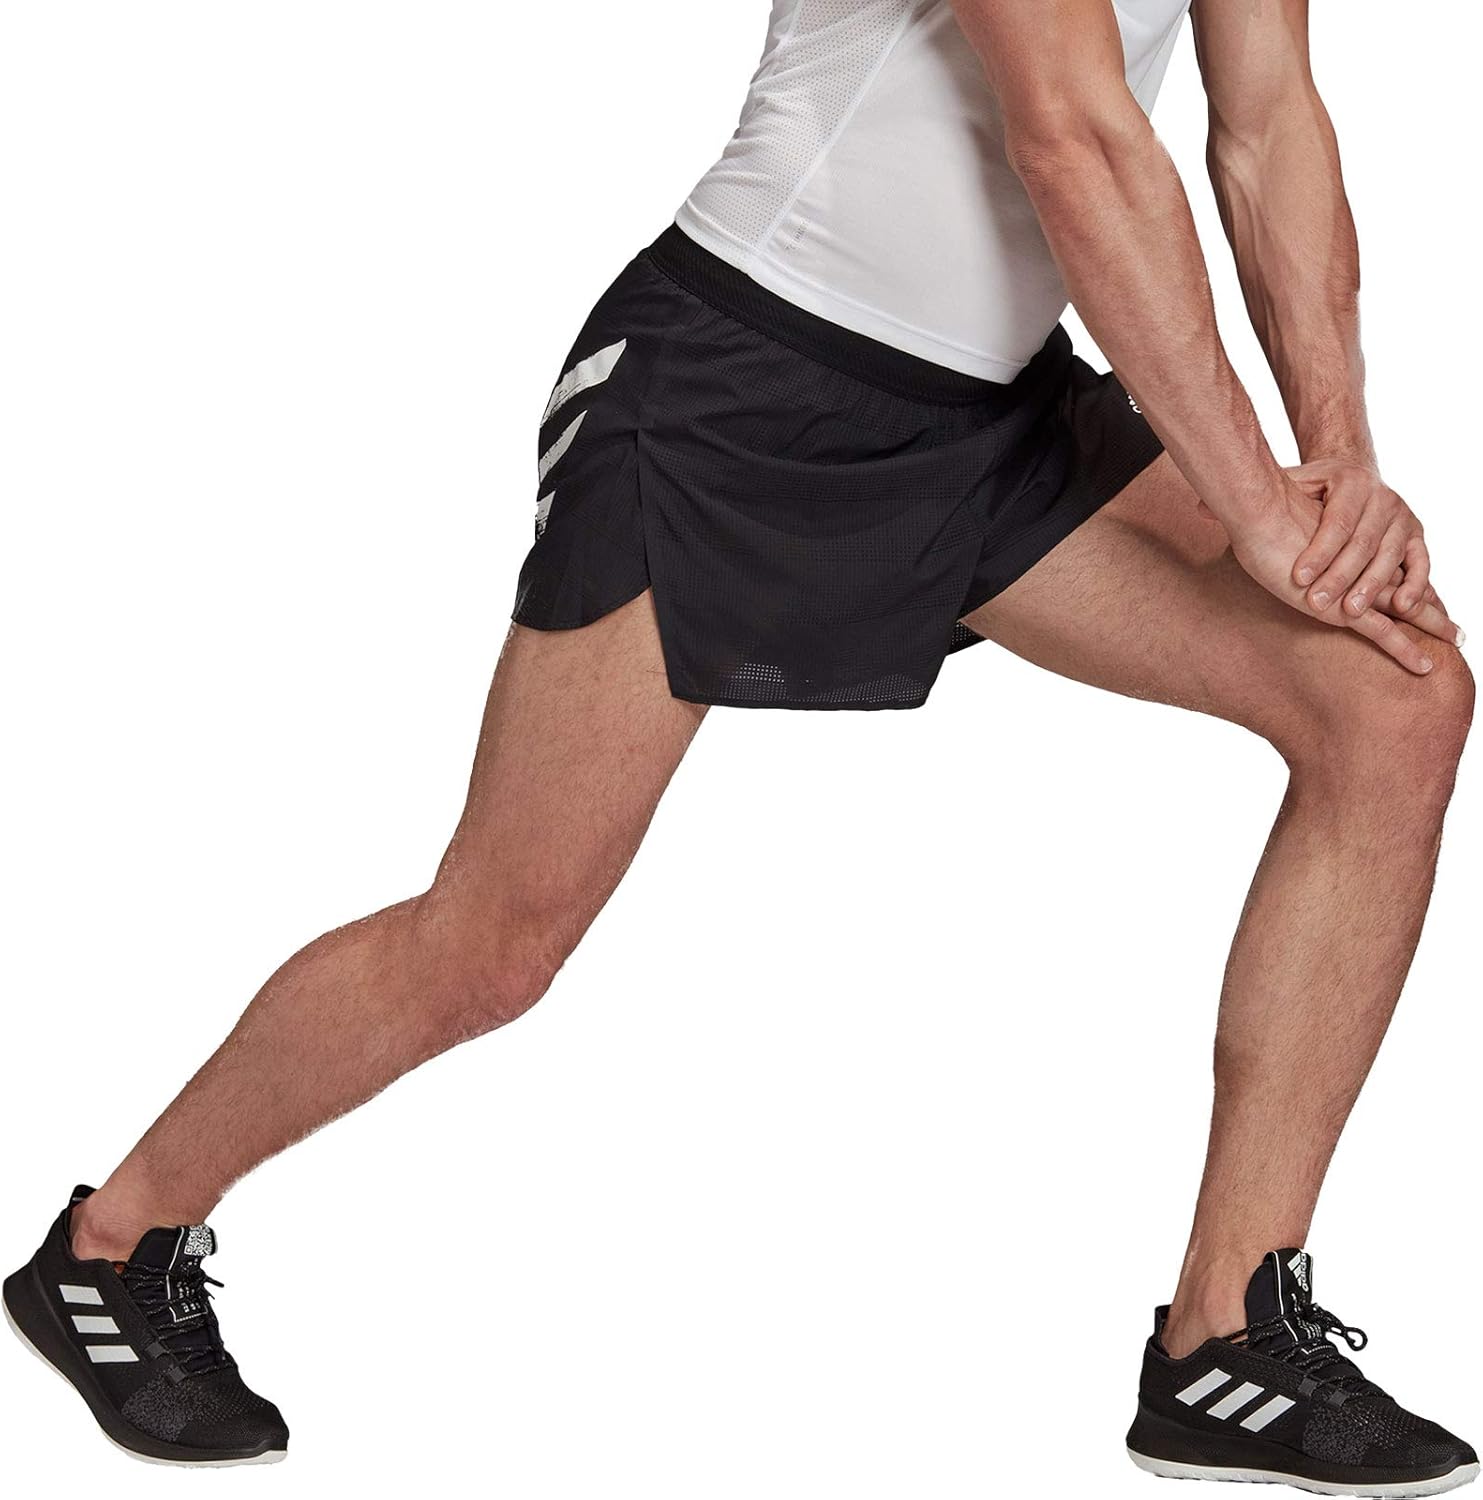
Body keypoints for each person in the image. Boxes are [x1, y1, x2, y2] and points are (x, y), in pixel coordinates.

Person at [5, 0, 1476, 1489]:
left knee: (1393, 698)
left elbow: (1269, 121)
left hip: (989, 413)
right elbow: (1074, 138)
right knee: (493, 944)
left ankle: (1225, 1341)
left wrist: (1338, 470)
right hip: (739, 389)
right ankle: (110, 1246)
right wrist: (1252, 505)